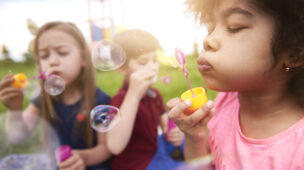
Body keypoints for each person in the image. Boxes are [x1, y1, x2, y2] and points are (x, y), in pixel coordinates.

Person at [167, 0, 304, 169]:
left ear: (294, 52)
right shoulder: (225, 103)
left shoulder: (298, 150)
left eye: (234, 27)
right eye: (210, 28)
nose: (208, 40)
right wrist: (195, 137)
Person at [0, 21, 111, 170]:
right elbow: (18, 136)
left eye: (62, 52)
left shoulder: (99, 100)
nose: (52, 61)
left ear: (84, 59)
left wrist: (84, 157)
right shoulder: (44, 99)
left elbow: (106, 148)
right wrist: (14, 110)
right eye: (44, 56)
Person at [106, 29, 184, 170]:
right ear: (122, 69)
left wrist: (175, 132)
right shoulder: (120, 100)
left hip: (156, 150)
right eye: (143, 62)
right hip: (136, 164)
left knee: (187, 139)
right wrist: (134, 95)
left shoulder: (154, 94)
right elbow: (114, 146)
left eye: (154, 60)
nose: (152, 67)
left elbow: (166, 126)